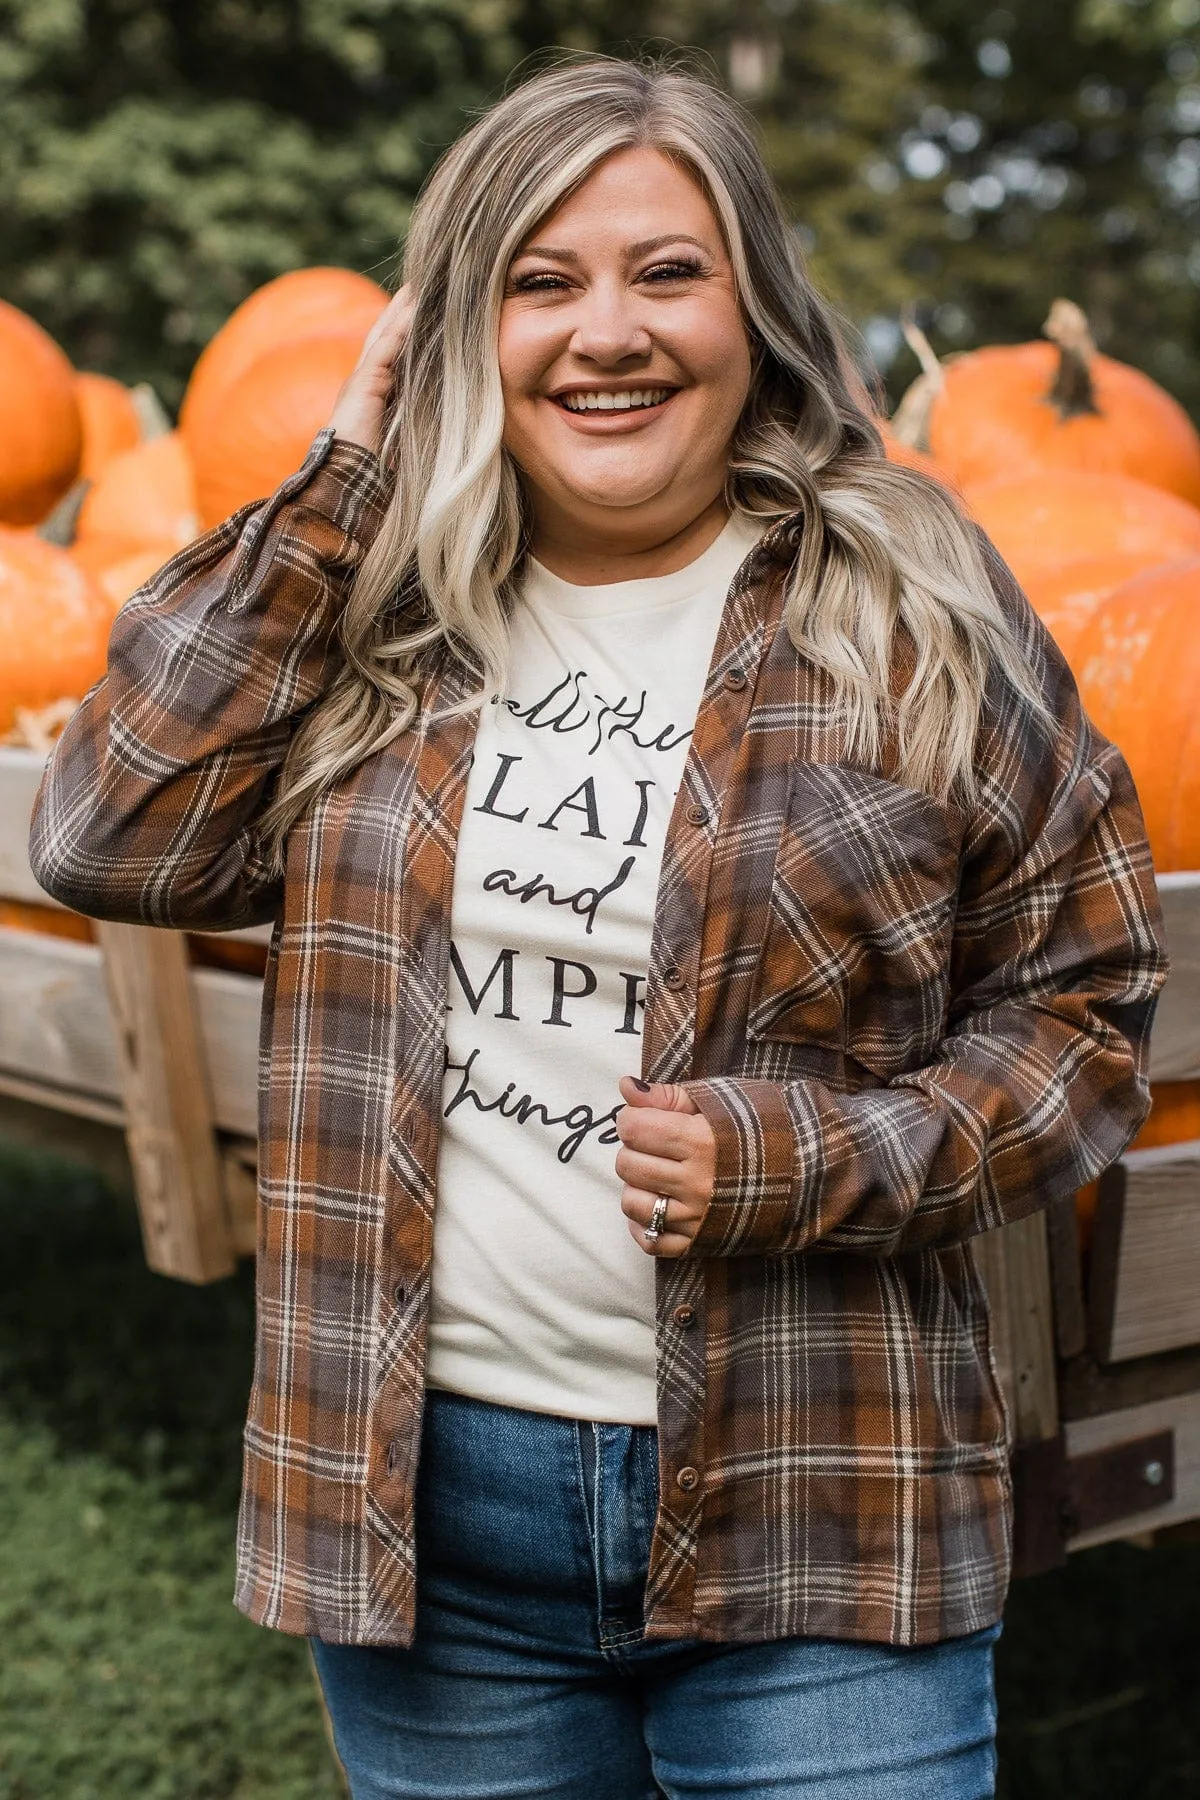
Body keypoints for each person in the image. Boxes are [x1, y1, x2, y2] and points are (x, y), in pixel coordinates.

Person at [30, 55, 1167, 1800]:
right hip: (431, 1513)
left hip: (824, 1494)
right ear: (454, 329)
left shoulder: (911, 601)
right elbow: (109, 829)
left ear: (756, 312)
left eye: (666, 272)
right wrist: (346, 467)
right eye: (539, 282)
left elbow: (1081, 1002)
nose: (606, 332)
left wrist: (814, 1155)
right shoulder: (376, 615)